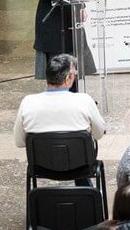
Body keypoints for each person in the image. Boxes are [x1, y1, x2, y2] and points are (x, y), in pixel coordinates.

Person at [14, 53, 106, 186]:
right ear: (68, 78)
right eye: (74, 74)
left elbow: (19, 141)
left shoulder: (28, 103)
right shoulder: (84, 101)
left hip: (41, 167)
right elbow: (99, 134)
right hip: (81, 167)